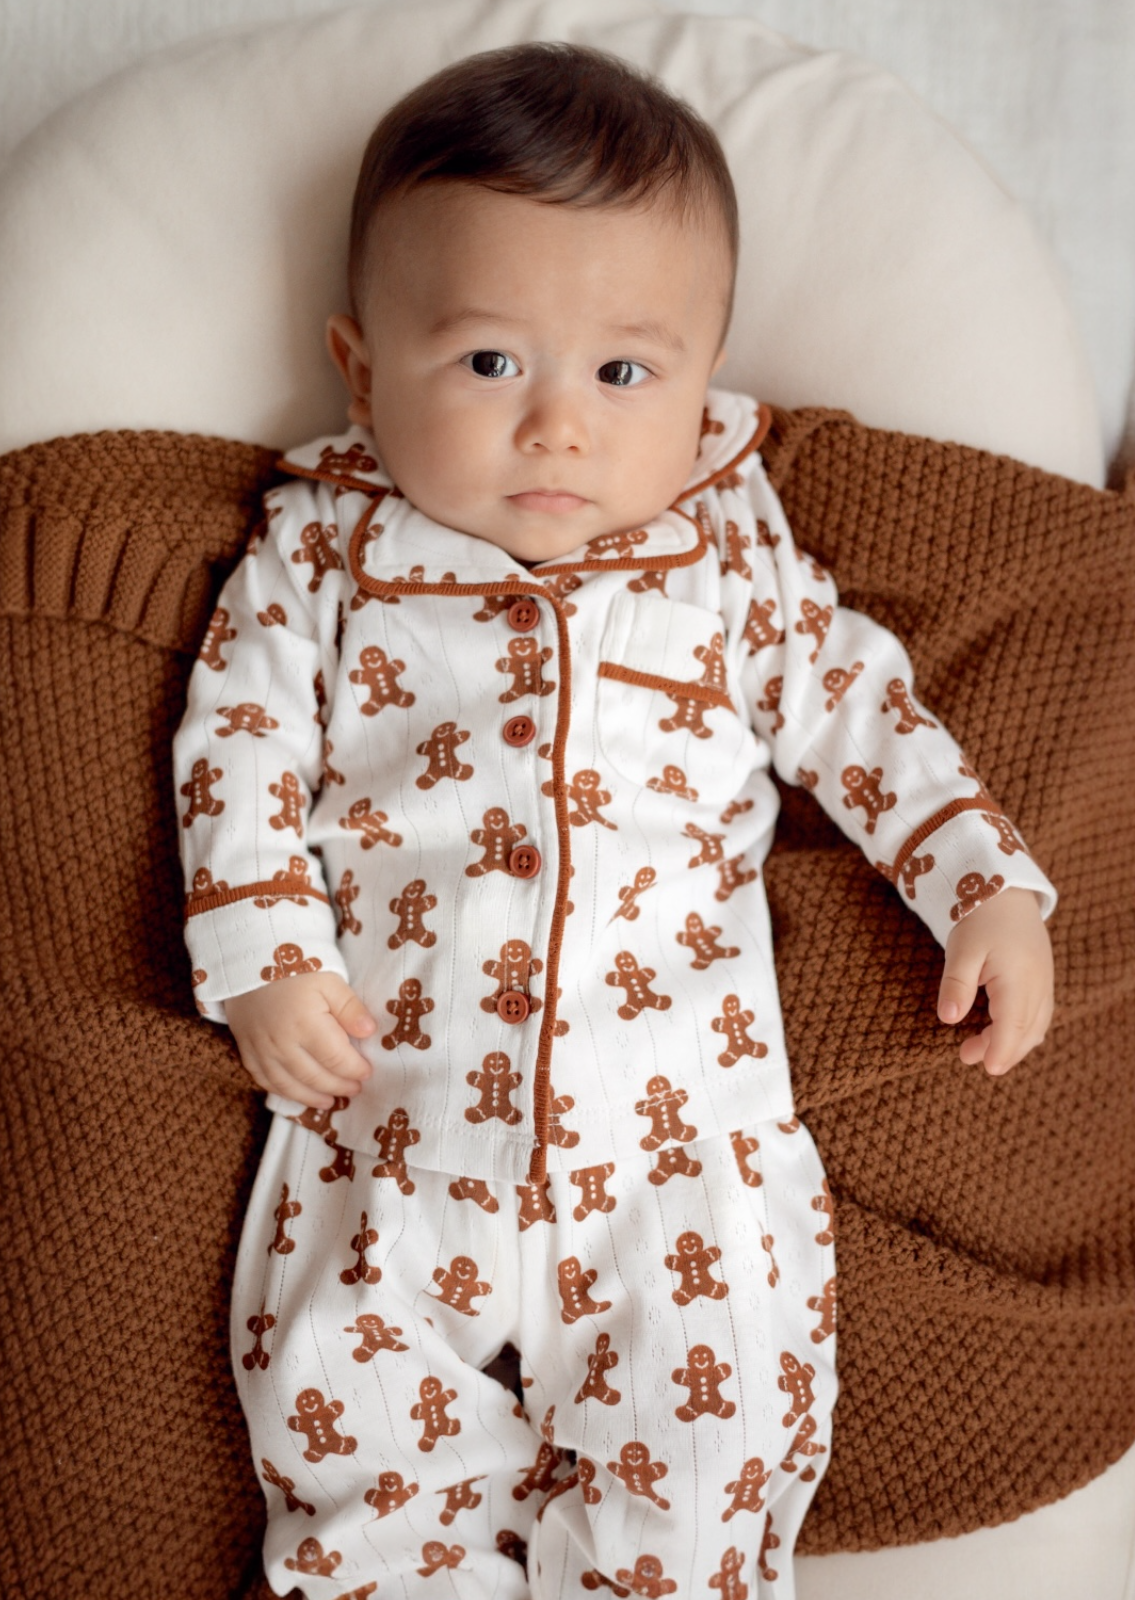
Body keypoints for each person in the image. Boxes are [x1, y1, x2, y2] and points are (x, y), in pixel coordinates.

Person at [174, 41, 1055, 1600]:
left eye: (622, 375)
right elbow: (235, 747)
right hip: (388, 1131)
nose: (556, 429)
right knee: (355, 1462)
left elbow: (859, 712)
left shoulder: (726, 560)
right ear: (362, 371)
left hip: (682, 1160)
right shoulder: (319, 557)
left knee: (706, 1480)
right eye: (488, 362)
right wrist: (265, 954)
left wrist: (981, 882)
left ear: (702, 381)